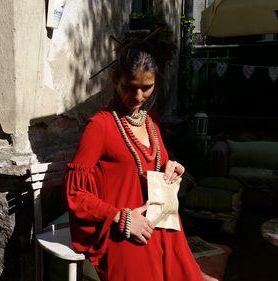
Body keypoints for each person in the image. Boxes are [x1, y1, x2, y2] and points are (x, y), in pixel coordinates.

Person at [63, 33, 203, 281]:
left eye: (146, 87)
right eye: (129, 86)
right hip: (124, 231)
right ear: (115, 79)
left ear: (155, 82)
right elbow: (76, 194)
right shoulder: (100, 126)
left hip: (161, 223)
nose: (137, 97)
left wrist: (170, 167)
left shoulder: (152, 122)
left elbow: (156, 164)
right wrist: (122, 217)